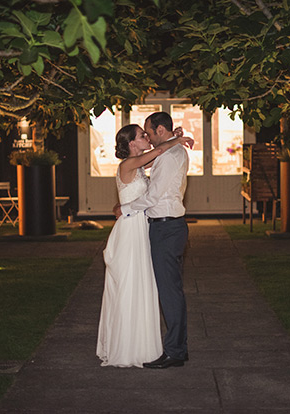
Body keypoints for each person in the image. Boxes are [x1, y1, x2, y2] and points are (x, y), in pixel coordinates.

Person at [97, 123, 192, 368]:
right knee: (130, 284)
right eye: (142, 136)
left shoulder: (139, 164)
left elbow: (157, 155)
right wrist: (178, 139)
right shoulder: (128, 164)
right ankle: (127, 346)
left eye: (147, 134)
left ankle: (145, 344)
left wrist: (175, 137)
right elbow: (159, 152)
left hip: (143, 227)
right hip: (131, 229)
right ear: (131, 144)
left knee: (144, 284)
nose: (147, 138)